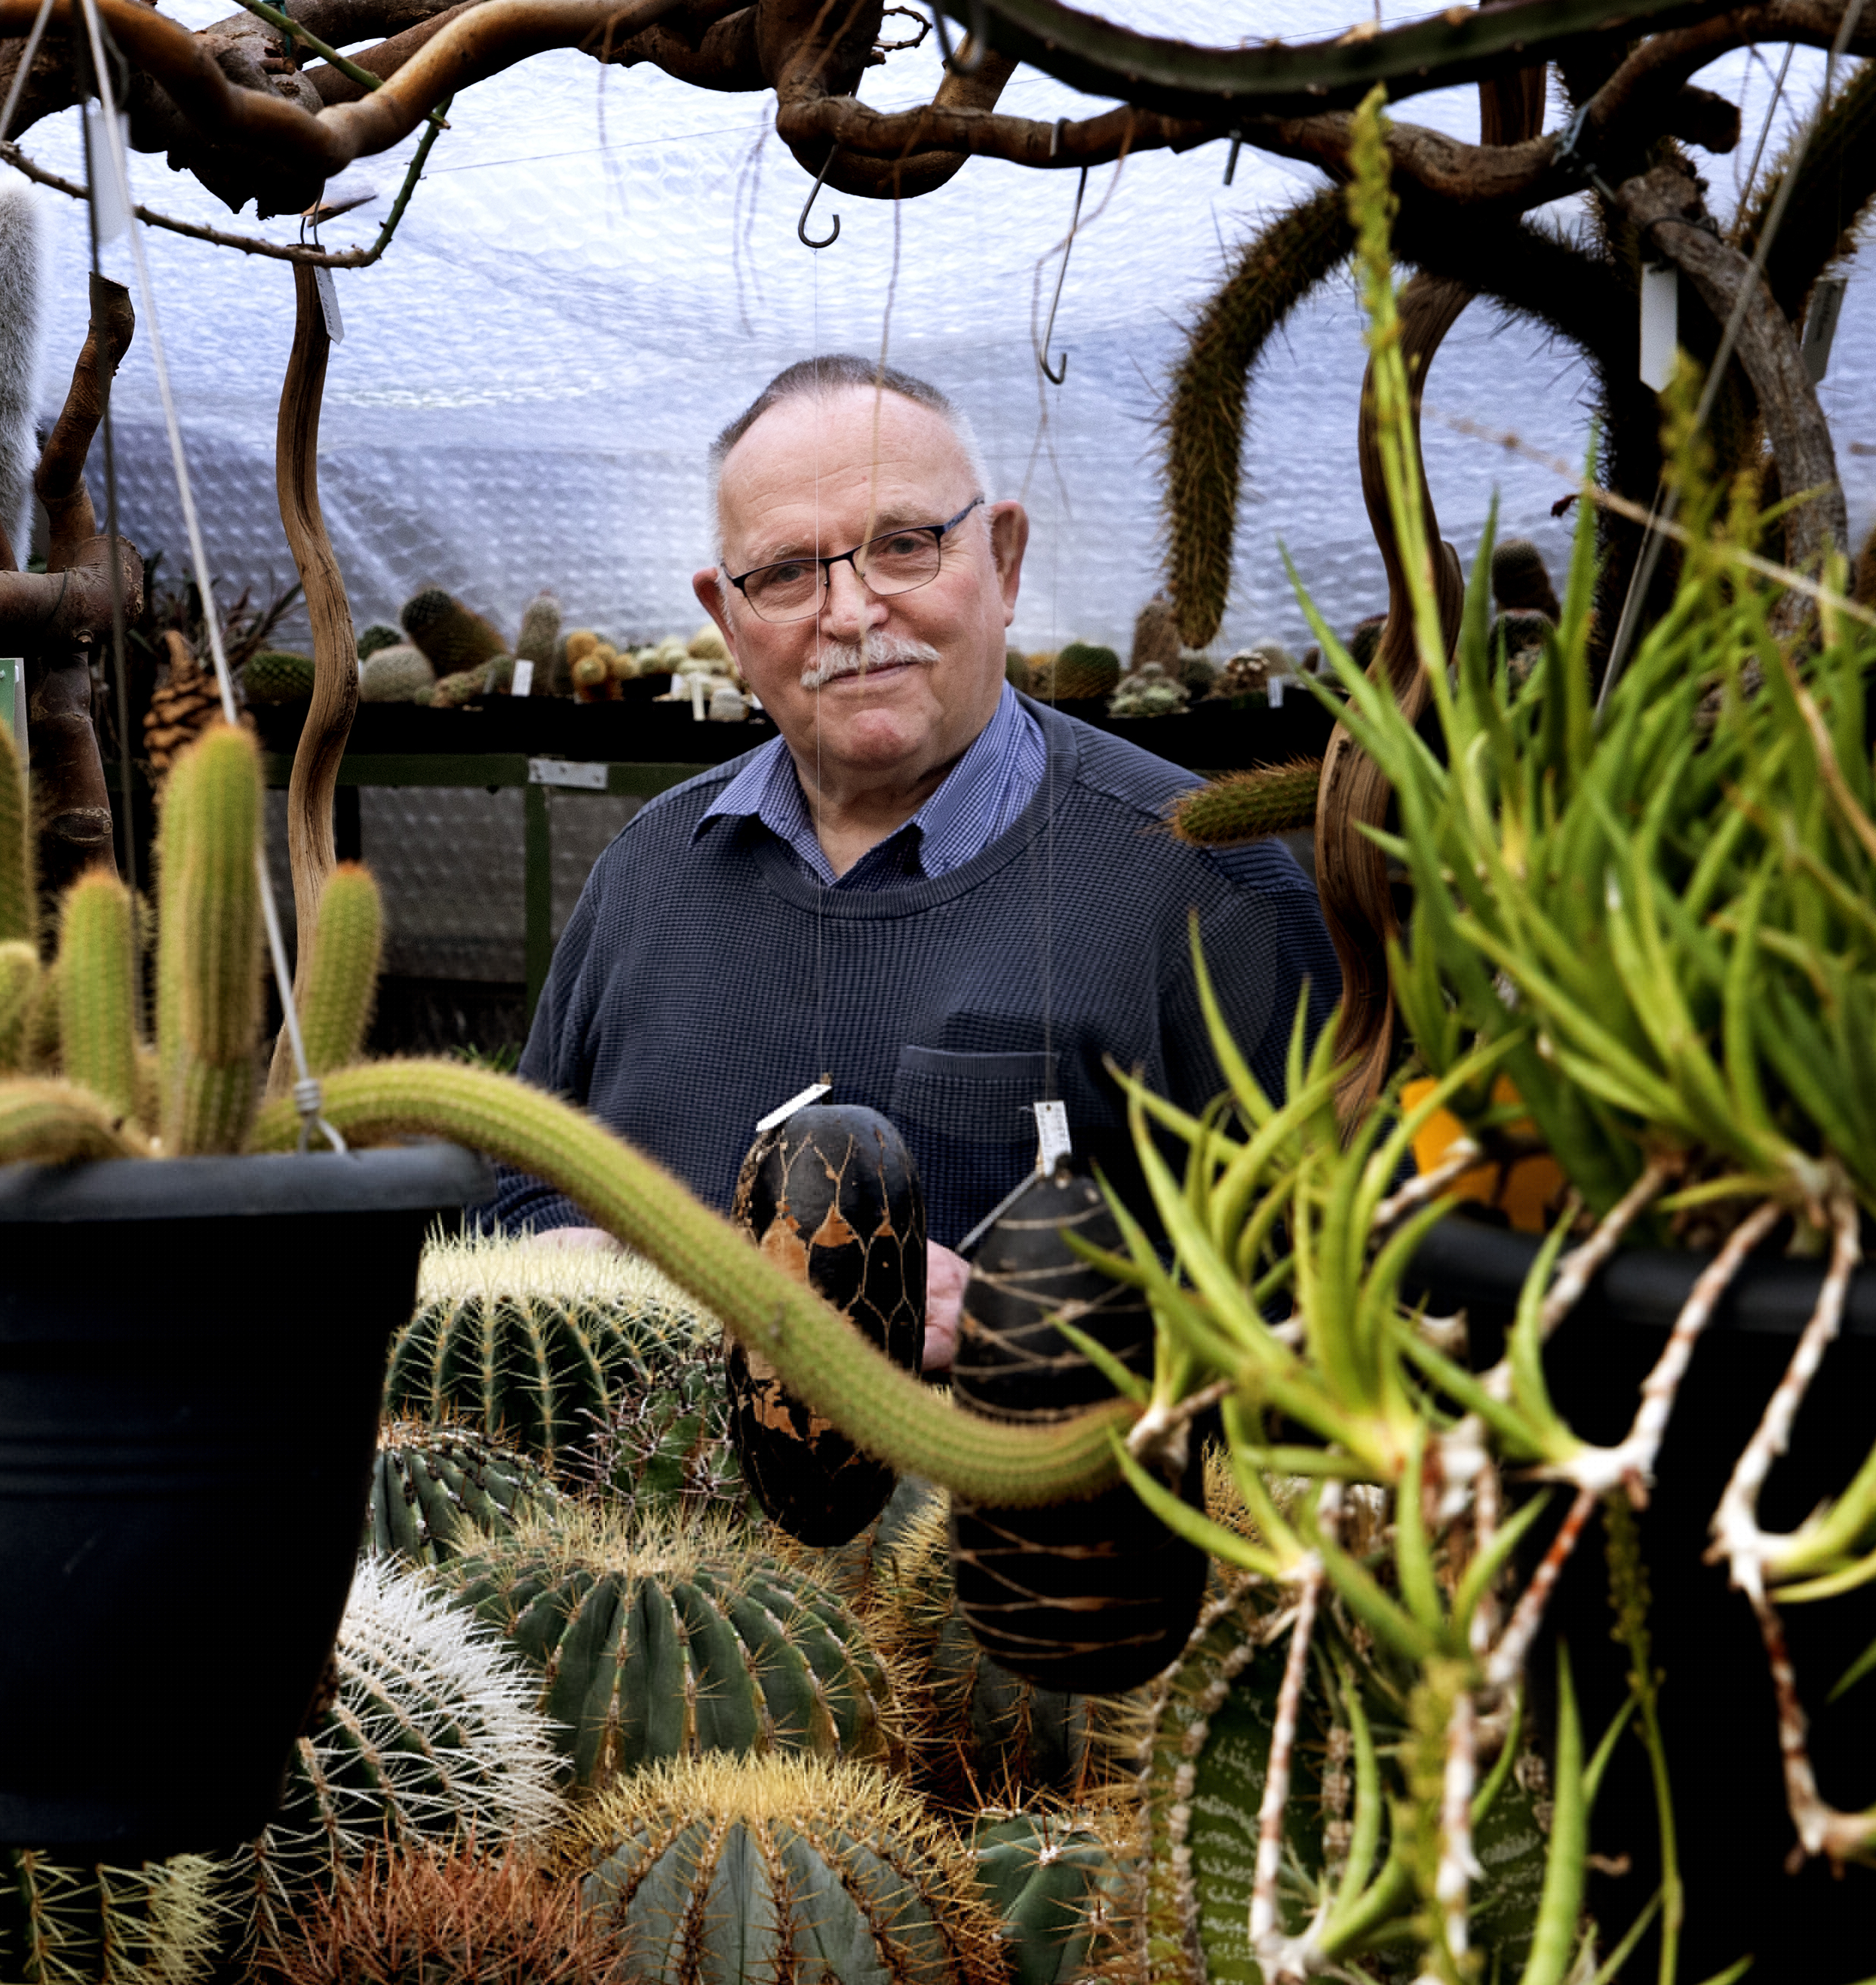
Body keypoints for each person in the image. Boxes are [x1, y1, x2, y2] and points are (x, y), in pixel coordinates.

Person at [490, 355, 1339, 1364]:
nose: (849, 615)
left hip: (1013, 1517)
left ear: (1006, 561)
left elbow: (1342, 1302)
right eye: (788, 574)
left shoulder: (1209, 887)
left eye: (903, 545)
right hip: (648, 1516)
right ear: (727, 620)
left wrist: (1038, 1340)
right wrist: (571, 1254)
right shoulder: (648, 872)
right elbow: (519, 1185)